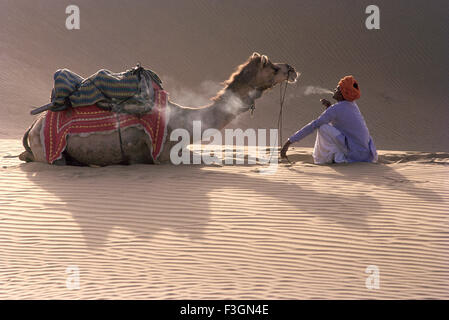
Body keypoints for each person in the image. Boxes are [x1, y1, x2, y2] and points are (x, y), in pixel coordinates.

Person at [280, 75, 377, 164]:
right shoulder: (352, 105)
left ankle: (323, 160)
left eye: (338, 89)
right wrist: (329, 108)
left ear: (343, 93)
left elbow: (314, 125)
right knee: (328, 127)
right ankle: (336, 156)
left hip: (355, 154)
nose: (335, 90)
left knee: (322, 127)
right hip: (365, 154)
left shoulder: (336, 109)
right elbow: (342, 122)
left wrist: (289, 142)